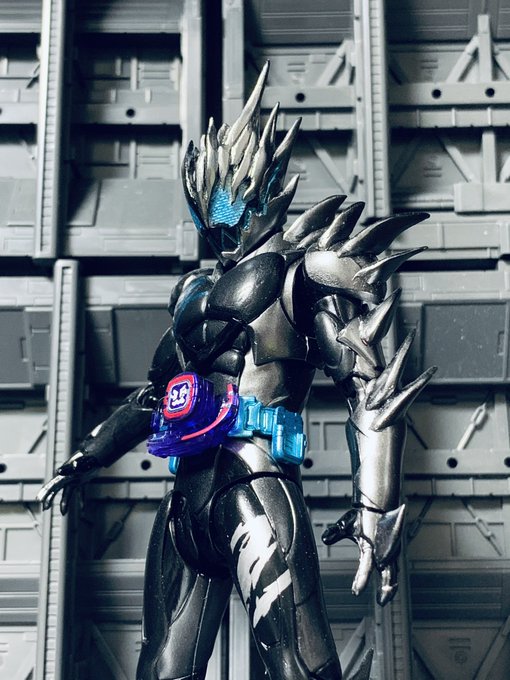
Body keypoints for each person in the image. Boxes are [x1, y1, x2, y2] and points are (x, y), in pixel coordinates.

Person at [38, 63, 435, 680]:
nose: (217, 223)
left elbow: (370, 387)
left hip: (254, 487)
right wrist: (89, 454)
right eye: (205, 210)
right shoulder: (192, 293)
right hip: (185, 502)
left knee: (295, 664)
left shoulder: (301, 276)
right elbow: (155, 397)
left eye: (225, 203)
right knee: (162, 668)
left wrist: (377, 506)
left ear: (262, 190)